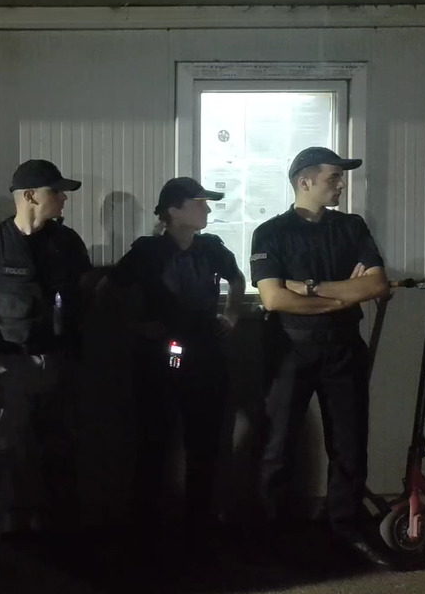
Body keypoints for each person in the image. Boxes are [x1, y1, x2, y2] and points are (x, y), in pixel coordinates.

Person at [250, 146, 395, 569]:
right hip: (290, 351)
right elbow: (275, 299)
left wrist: (309, 289)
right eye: (334, 177)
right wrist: (342, 295)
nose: (341, 184)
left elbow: (376, 286)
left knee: (349, 447)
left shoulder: (351, 226)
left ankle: (345, 530)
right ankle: (269, 537)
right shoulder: (271, 232)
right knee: (277, 448)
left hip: (344, 348)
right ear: (305, 181)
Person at [0, 159, 91, 569]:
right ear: (30, 196)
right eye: (56, 191)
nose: (63, 198)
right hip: (9, 369)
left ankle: (64, 544)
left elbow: (84, 295)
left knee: (62, 455)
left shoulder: (67, 243)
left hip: (58, 364)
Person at [97, 177, 244, 554]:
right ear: (174, 210)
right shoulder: (148, 251)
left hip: (205, 352)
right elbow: (107, 290)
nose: (207, 209)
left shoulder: (211, 248)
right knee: (153, 441)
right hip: (158, 356)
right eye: (199, 203)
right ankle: (146, 528)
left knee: (205, 443)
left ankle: (199, 526)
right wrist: (136, 326)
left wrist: (231, 315)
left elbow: (237, 278)